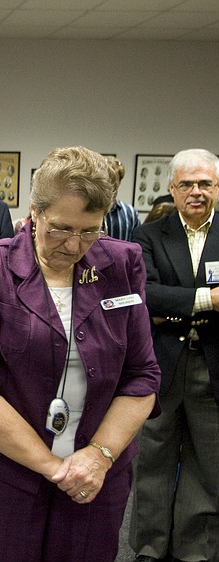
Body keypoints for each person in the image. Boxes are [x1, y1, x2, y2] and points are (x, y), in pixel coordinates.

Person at [0, 146, 160, 561]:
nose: (74, 244)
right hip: (2, 476)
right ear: (35, 212)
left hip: (95, 479)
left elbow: (143, 375)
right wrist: (52, 466)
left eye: (90, 230)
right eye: (60, 228)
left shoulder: (121, 264)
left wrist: (98, 457)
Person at [130, 148, 219, 562]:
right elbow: (145, 294)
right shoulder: (149, 235)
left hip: (211, 367)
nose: (196, 192)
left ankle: (193, 548)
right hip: (162, 365)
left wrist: (173, 306)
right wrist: (209, 300)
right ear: (172, 188)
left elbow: (164, 299)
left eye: (204, 183)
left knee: (207, 463)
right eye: (187, 184)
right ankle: (149, 547)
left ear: (217, 187)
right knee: (152, 460)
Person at [103, 156, 140, 241]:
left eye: (113, 180)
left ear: (119, 182)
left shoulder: (130, 213)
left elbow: (136, 245)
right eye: (106, 179)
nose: (109, 184)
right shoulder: (87, 211)